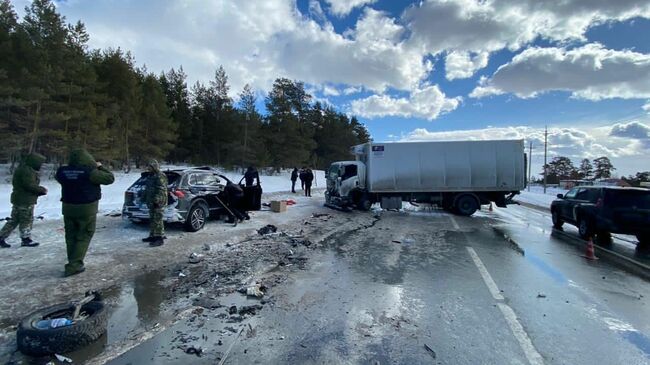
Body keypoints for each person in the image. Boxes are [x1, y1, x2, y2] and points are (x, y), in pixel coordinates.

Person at [56, 149, 114, 277]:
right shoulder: (90, 173)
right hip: (86, 207)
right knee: (84, 234)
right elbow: (110, 178)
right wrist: (100, 167)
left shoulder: (62, 171)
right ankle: (74, 265)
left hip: (68, 207)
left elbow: (60, 179)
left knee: (70, 235)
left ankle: (72, 260)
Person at [0, 153, 48, 248]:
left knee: (15, 219)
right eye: (40, 163)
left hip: (19, 198)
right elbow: (29, 185)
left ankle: (1, 237)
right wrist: (41, 190)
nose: (41, 166)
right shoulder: (27, 171)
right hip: (25, 199)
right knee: (26, 219)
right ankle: (26, 239)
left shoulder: (24, 169)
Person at [143, 160, 167, 247]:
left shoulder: (160, 176)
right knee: (152, 219)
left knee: (158, 220)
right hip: (151, 201)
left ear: (154, 167)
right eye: (148, 166)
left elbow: (161, 189)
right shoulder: (151, 176)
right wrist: (143, 198)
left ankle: (159, 238)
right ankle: (153, 236)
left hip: (159, 202)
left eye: (150, 167)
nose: (148, 168)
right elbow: (148, 188)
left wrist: (157, 201)